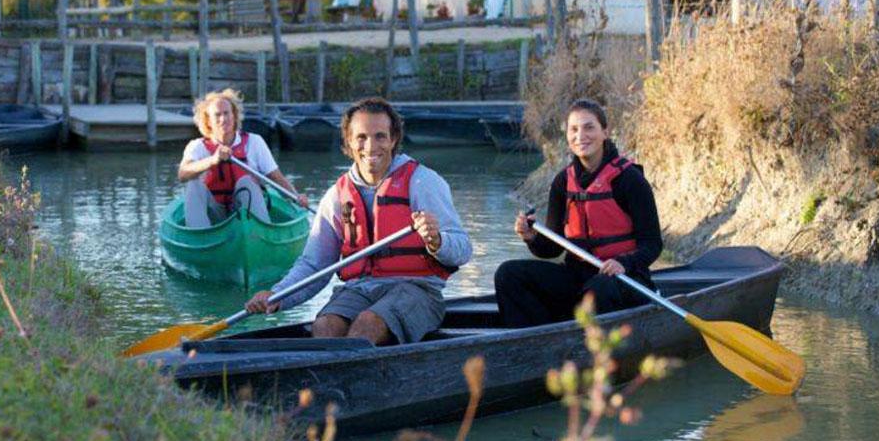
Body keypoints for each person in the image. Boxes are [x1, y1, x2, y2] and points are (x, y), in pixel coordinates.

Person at [245, 97, 472, 345]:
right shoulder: (336, 196)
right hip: (359, 289)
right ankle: (328, 382)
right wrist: (278, 295)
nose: (370, 146)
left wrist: (437, 240)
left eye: (380, 136)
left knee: (368, 323)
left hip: (417, 289)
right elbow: (314, 265)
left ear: (393, 139)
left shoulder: (423, 182)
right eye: (361, 137)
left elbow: (462, 250)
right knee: (324, 326)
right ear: (350, 142)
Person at [494, 99, 662, 327]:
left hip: (626, 280)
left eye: (589, 127)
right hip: (578, 277)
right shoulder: (563, 182)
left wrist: (624, 262)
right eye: (573, 129)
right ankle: (533, 344)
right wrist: (531, 237)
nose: (580, 135)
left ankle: (595, 350)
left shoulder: (630, 179)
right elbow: (552, 248)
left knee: (598, 289)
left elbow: (652, 244)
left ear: (605, 132)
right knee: (509, 274)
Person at [178, 89, 307, 227]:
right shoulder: (197, 146)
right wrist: (213, 160)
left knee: (247, 181)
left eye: (227, 113)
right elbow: (182, 174)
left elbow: (276, 177)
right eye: (217, 115)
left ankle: (263, 232)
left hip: (244, 209)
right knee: (193, 183)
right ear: (208, 121)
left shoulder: (254, 142)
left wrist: (295, 197)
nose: (223, 119)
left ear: (234, 115)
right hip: (214, 211)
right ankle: (199, 237)